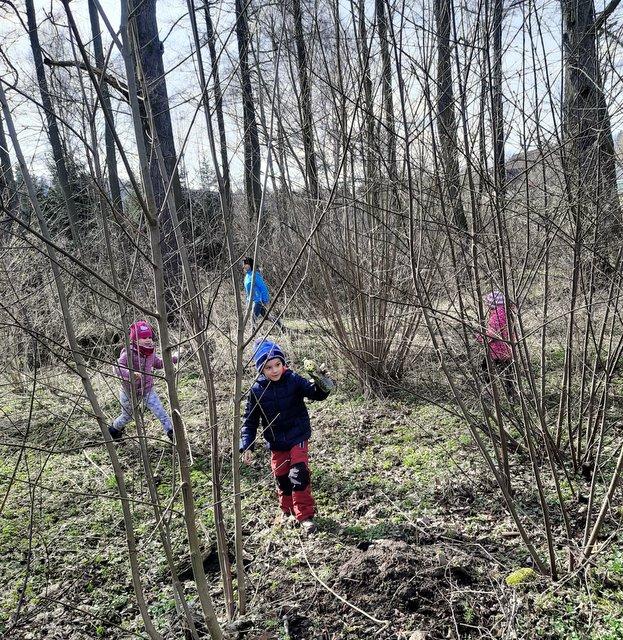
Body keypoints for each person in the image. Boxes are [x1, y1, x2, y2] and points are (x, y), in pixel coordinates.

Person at [240, 339, 334, 535]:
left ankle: (305, 516)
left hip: (297, 434)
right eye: (268, 367)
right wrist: (247, 445)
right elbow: (250, 421)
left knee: (299, 474)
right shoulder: (256, 391)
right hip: (276, 441)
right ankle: (288, 511)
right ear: (260, 369)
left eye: (278, 364)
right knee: (282, 477)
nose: (275, 370)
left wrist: (322, 382)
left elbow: (315, 393)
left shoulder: (293, 379)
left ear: (283, 363)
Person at [109, 320, 177, 442]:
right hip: (128, 391)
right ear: (135, 339)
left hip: (147, 389)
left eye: (149, 337)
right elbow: (116, 367)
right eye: (144, 337)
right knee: (127, 416)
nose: (148, 340)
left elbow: (158, 363)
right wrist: (131, 374)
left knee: (160, 412)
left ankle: (172, 433)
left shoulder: (150, 351)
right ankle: (114, 429)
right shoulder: (129, 352)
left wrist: (173, 358)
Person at [476, 291, 516, 401]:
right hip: (508, 348)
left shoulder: (497, 315)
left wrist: (480, 337)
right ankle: (511, 394)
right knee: (508, 372)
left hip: (496, 349)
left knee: (485, 367)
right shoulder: (508, 313)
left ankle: (490, 391)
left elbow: (492, 334)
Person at [242, 257, 284, 330]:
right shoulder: (247, 276)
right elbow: (247, 290)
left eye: (246, 264)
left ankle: (252, 333)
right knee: (266, 316)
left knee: (253, 318)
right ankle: (281, 327)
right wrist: (248, 300)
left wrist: (265, 300)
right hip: (252, 301)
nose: (244, 266)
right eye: (243, 264)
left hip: (258, 300)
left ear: (250, 265)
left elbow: (263, 288)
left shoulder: (255, 275)